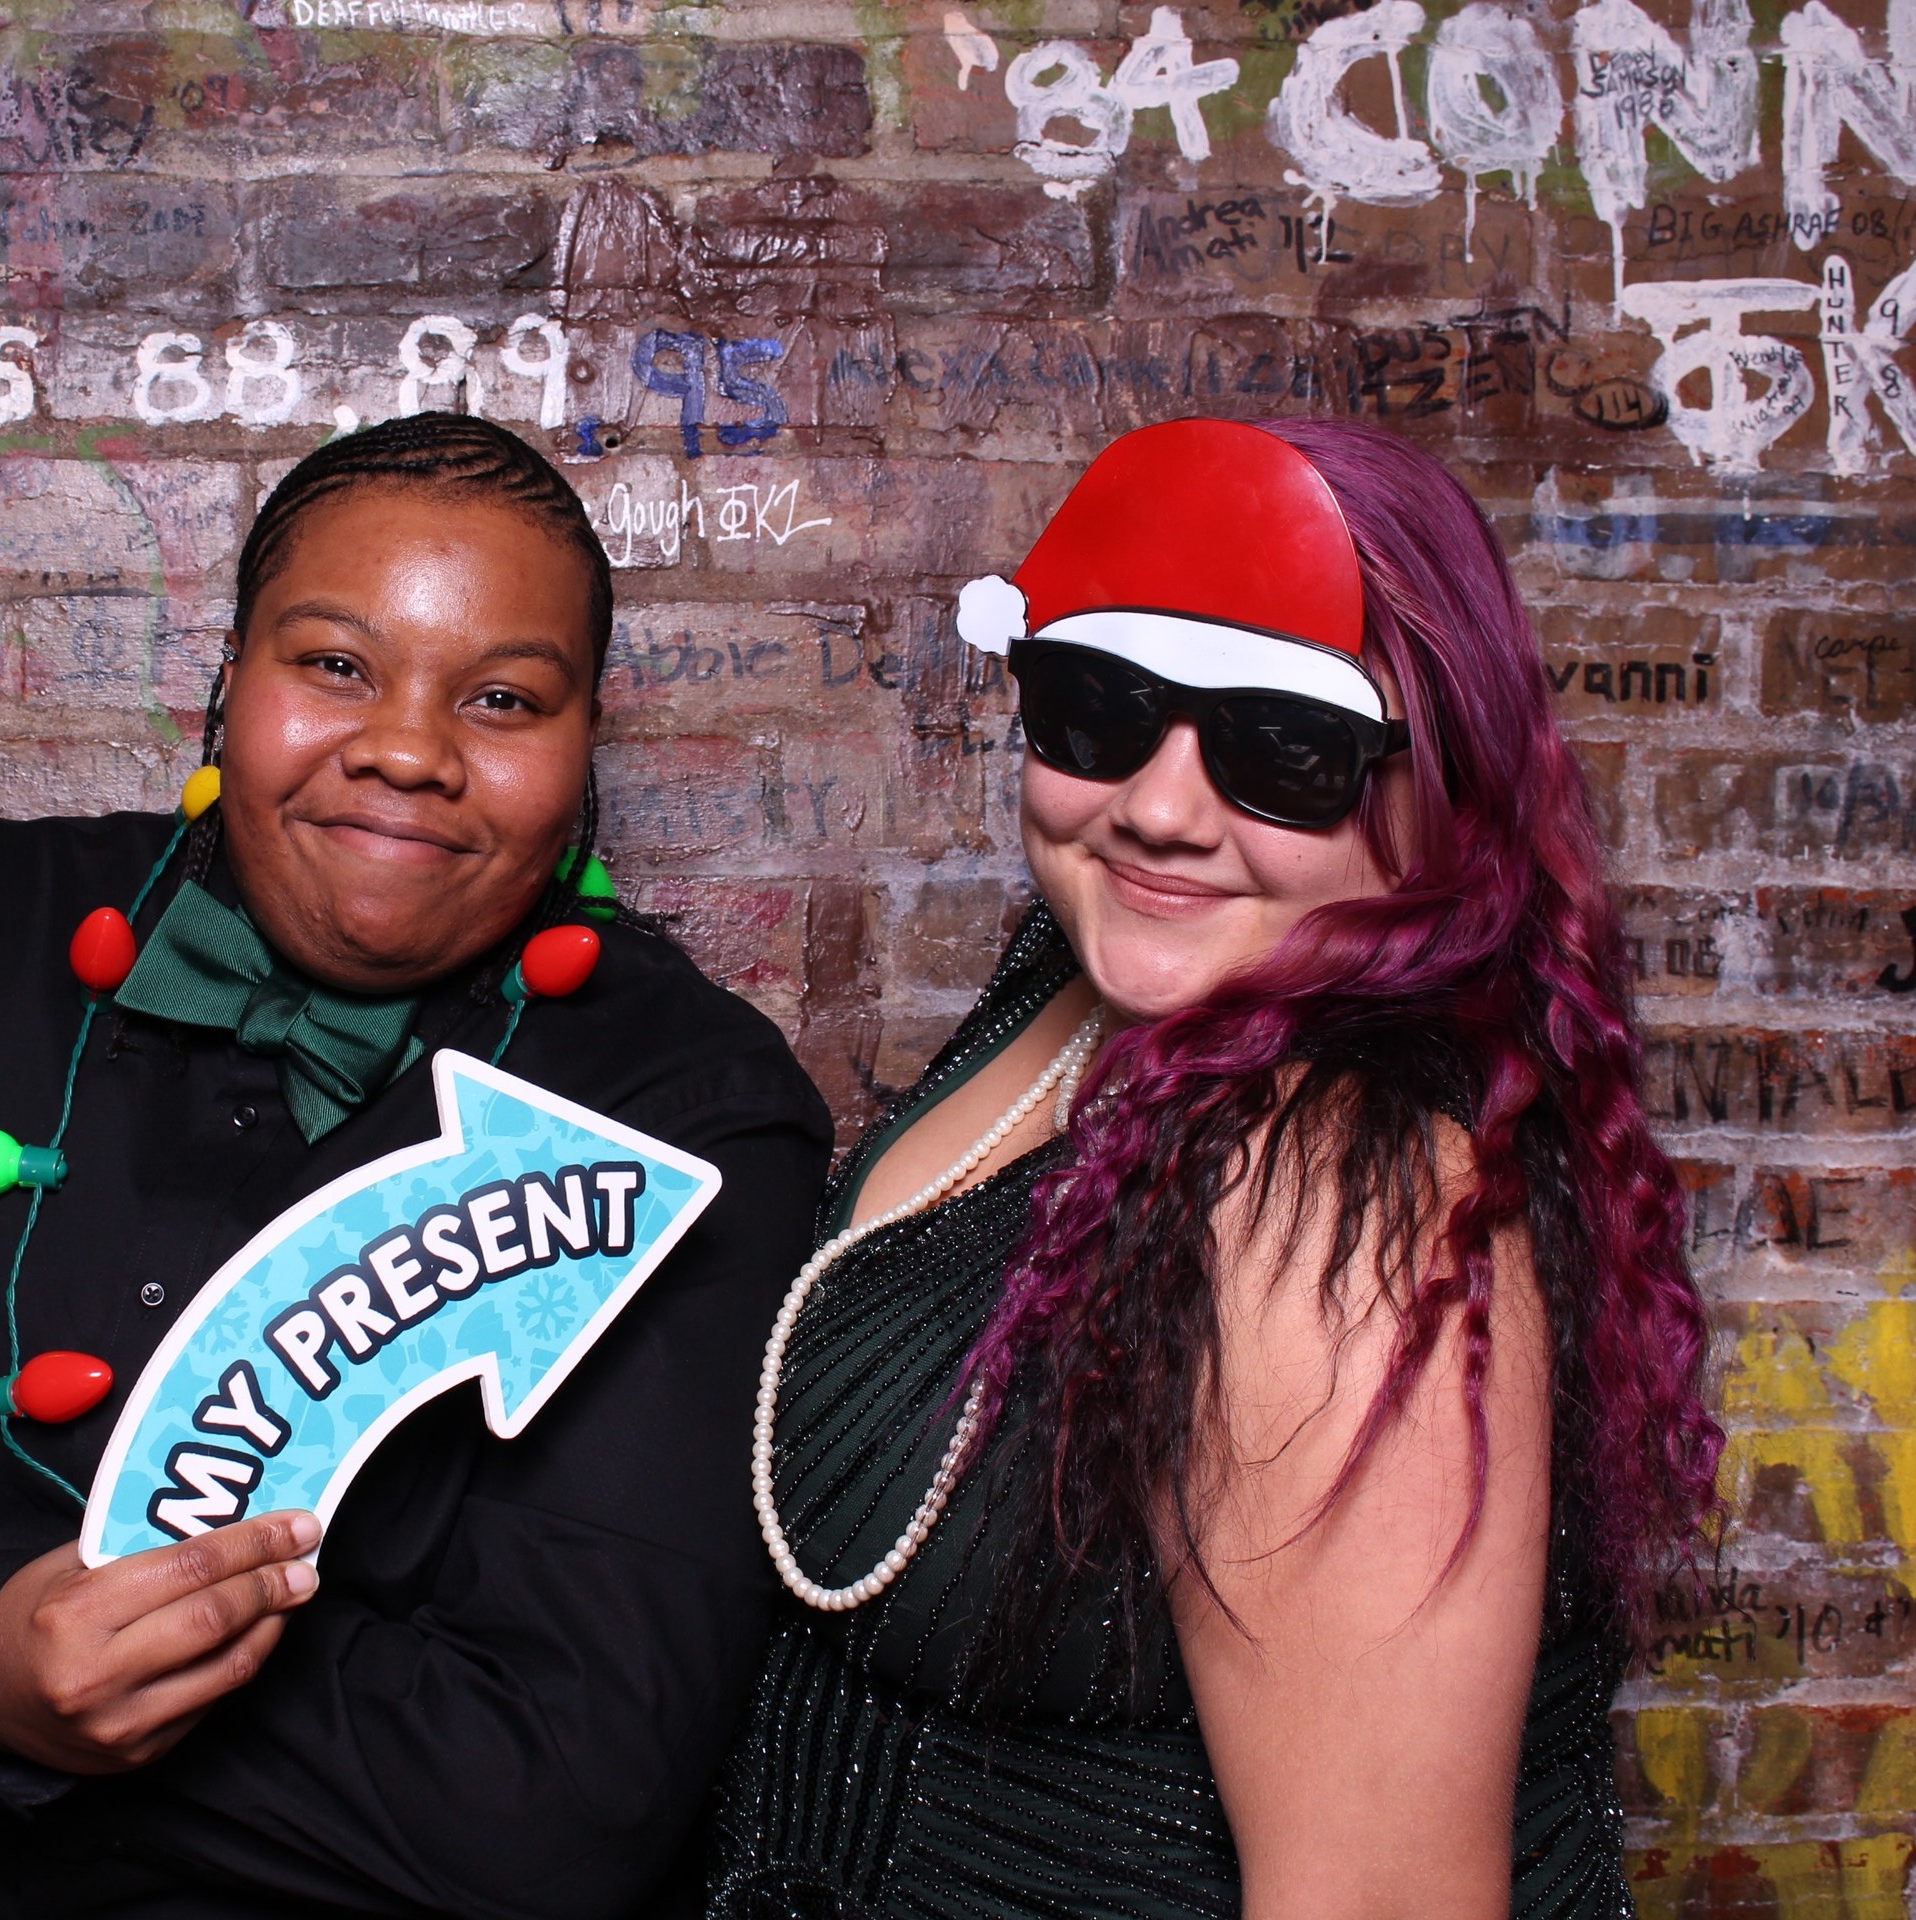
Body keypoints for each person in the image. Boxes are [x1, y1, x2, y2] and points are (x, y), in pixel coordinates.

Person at [0, 413, 834, 1919]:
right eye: (334, 664)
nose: (408, 748)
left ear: (584, 746)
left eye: (503, 699)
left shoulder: (687, 1117)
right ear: (226, 682)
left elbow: (554, 1799)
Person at [709, 418, 1718, 1919]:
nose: (1161, 811)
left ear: (1442, 787)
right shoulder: (1097, 973)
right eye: (1098, 708)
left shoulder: (1342, 1189)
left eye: (1281, 749)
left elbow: (1377, 1901)